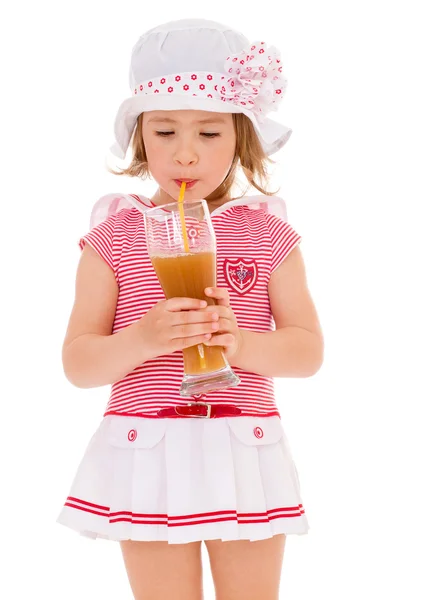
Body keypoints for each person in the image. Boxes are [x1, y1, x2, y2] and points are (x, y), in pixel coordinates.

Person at [56, 18, 324, 600]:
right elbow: (79, 364)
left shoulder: (266, 233)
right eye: (164, 132)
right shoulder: (114, 235)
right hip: (145, 447)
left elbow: (307, 352)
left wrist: (244, 343)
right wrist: (143, 340)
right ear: (139, 138)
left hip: (242, 447)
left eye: (209, 134)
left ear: (242, 139)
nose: (184, 154)